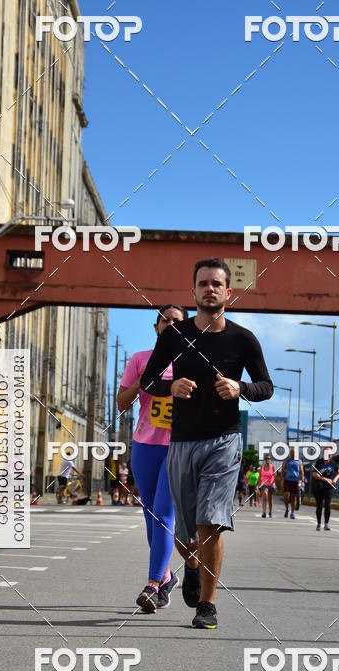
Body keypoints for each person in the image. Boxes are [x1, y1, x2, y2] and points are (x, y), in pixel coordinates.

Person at [140, 257, 273, 629]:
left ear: (228, 292)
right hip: (182, 442)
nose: (210, 289)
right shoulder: (174, 336)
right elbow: (149, 380)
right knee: (184, 533)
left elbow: (266, 387)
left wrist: (240, 388)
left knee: (211, 521)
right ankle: (191, 563)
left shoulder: (243, 339)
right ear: (193, 291)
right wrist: (171, 387)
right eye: (203, 283)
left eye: (217, 283)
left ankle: (207, 606)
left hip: (224, 441)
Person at [117, 304, 188, 612]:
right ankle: (167, 576)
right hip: (144, 447)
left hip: (178, 448)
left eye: (177, 320)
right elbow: (122, 403)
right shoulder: (139, 359)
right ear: (156, 327)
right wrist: (145, 379)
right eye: (165, 320)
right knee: (150, 519)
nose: (170, 323)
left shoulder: (193, 362)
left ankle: (152, 584)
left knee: (163, 515)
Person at [311, 453, 339, 530]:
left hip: (329, 487)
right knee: (319, 506)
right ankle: (319, 523)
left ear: (331, 456)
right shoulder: (319, 462)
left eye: (329, 454)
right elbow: (314, 474)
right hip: (319, 486)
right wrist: (324, 479)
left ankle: (326, 524)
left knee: (327, 505)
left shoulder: (333, 464)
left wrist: (335, 479)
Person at [281, 449, 304, 519]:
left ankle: (293, 513)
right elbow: (282, 470)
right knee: (286, 496)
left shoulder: (299, 461)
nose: (292, 453)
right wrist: (282, 480)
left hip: (295, 481)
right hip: (287, 480)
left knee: (294, 497)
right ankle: (287, 509)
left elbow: (301, 471)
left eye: (294, 452)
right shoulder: (286, 460)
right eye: (291, 452)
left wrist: (301, 480)